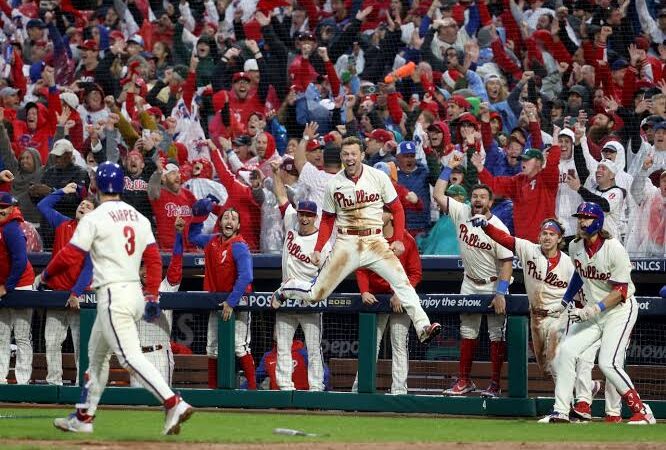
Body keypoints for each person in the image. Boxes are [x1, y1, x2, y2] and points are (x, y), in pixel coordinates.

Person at [44, 162, 193, 435]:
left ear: (97, 187)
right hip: (133, 292)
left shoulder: (95, 217)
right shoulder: (139, 217)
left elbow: (70, 256)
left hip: (113, 295)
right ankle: (84, 416)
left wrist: (45, 276)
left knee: (128, 357)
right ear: (122, 186)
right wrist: (151, 294)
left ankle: (173, 402)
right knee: (97, 358)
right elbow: (153, 259)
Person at [272, 137, 442, 346]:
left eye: (354, 154)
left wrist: (397, 239)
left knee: (402, 283)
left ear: (362, 155)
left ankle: (423, 326)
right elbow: (327, 219)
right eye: (345, 154)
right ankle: (286, 289)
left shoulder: (378, 177)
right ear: (342, 158)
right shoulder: (334, 183)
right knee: (317, 294)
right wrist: (319, 248)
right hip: (347, 242)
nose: (350, 158)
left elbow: (397, 209)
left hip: (375, 241)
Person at [539, 202, 655, 424]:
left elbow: (620, 291)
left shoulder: (614, 249)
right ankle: (561, 411)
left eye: (587, 218)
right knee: (566, 352)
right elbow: (579, 275)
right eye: (580, 217)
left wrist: (593, 309)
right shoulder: (575, 246)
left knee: (608, 362)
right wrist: (564, 303)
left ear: (598, 221)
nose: (582, 222)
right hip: (594, 312)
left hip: (619, 311)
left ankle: (642, 410)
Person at [433, 155, 513, 398]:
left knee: (496, 335)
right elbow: (438, 194)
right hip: (469, 282)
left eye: (483, 197)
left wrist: (500, 293)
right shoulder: (462, 211)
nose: (478, 200)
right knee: (468, 332)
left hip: (493, 284)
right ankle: (464, 381)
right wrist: (448, 166)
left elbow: (507, 263)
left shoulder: (498, 226)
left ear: (491, 201)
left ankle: (495, 384)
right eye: (475, 196)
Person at [271, 162, 330, 391]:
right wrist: (275, 174)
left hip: (308, 300)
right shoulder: (291, 221)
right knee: (283, 346)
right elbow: (280, 195)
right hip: (286, 300)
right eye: (302, 214)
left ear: (315, 217)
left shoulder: (322, 243)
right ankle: (284, 388)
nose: (304, 219)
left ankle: (316, 389)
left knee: (314, 348)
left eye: (308, 215)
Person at [352, 205, 421, 395]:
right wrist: (364, 291)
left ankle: (399, 392)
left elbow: (415, 273)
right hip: (376, 299)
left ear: (391, 216)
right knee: (371, 344)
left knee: (399, 343)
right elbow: (361, 268)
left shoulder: (406, 240)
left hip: (399, 298)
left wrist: (401, 293)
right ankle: (360, 390)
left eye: (380, 211)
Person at [188, 205, 256, 390]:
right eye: (226, 217)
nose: (229, 221)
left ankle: (252, 391)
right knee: (212, 347)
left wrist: (231, 302)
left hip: (238, 303)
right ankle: (212, 392)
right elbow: (192, 237)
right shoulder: (212, 241)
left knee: (239, 347)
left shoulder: (239, 246)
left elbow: (246, 276)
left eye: (233, 218)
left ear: (238, 225)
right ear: (220, 222)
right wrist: (198, 214)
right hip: (218, 302)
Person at [36, 183, 95, 386]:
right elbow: (43, 206)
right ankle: (54, 384)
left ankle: (82, 385)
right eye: (81, 204)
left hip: (79, 298)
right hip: (56, 294)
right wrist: (62, 191)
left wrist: (75, 293)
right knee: (51, 341)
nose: (82, 206)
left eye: (88, 206)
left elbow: (89, 269)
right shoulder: (63, 223)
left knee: (82, 345)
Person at [131, 218, 185, 387]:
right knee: (136, 404)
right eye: (142, 267)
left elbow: (176, 263)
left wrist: (179, 235)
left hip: (160, 353)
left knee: (161, 404)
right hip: (138, 356)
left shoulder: (165, 287)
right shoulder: (131, 289)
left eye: (149, 266)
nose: (145, 271)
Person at [0, 192, 35, 385]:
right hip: (3, 285)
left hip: (20, 284)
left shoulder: (12, 228)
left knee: (21, 335)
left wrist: (7, 286)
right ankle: (0, 379)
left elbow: (20, 261)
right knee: (1, 335)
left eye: (4, 206)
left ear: (12, 208)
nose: (0, 210)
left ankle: (22, 381)